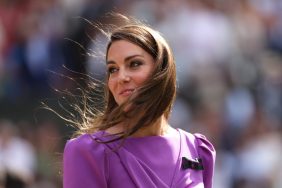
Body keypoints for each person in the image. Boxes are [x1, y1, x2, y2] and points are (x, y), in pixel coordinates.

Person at [63, 16, 216, 188]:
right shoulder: (88, 151)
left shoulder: (197, 149)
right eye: (113, 69)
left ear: (161, 70)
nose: (121, 77)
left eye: (134, 64)